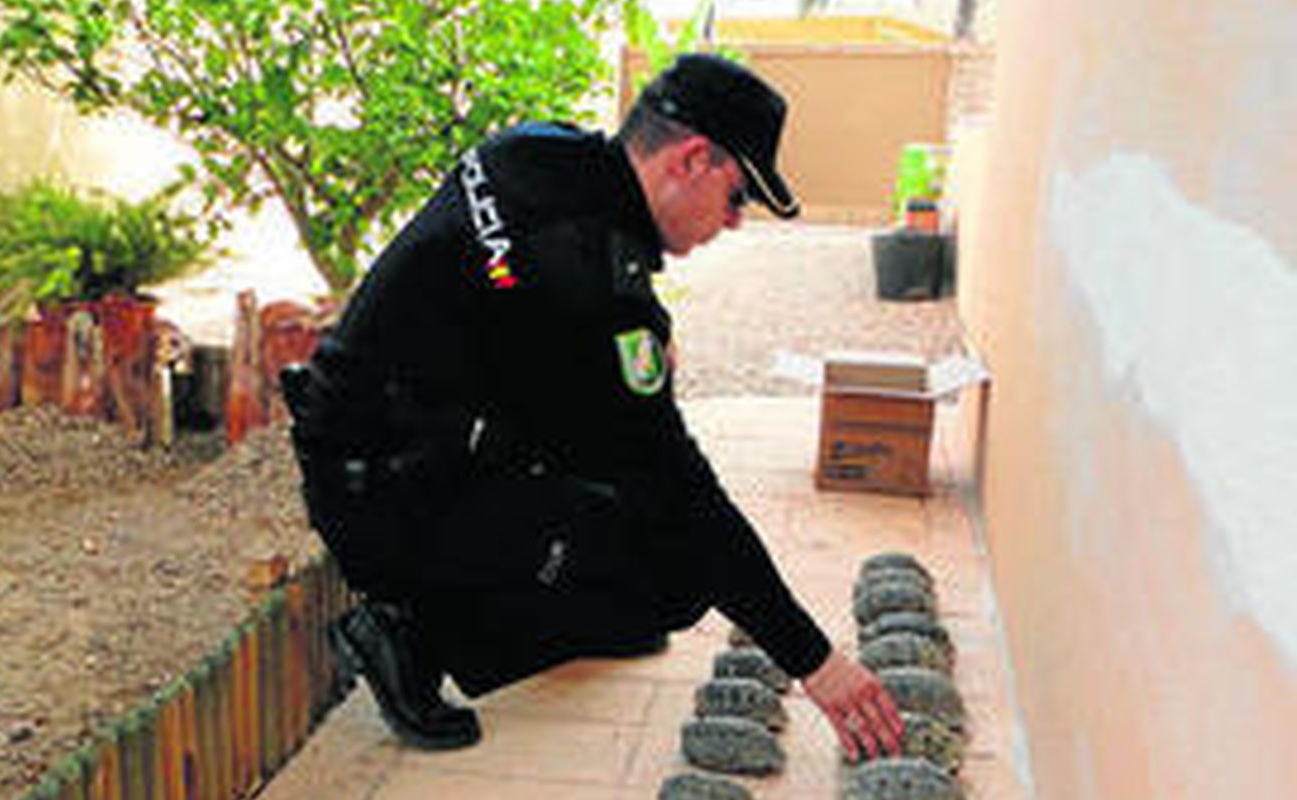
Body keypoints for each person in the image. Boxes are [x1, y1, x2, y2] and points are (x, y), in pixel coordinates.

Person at [282, 53, 903, 759]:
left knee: (624, 514)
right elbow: (682, 495)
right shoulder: (585, 281)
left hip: (370, 438)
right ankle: (409, 634)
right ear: (692, 159)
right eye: (737, 196)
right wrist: (817, 664)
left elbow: (523, 316)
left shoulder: (539, 151)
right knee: (671, 573)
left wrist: (637, 339)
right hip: (386, 498)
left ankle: (553, 600)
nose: (733, 223)